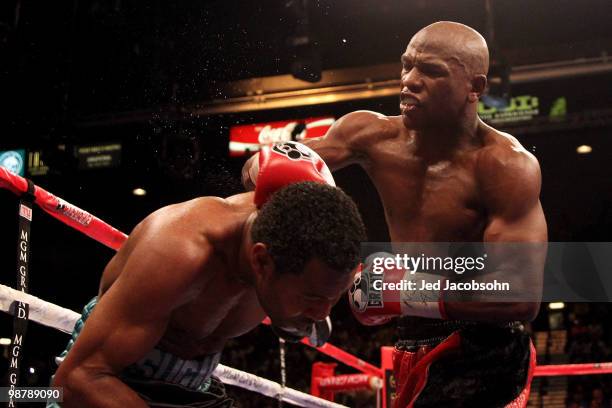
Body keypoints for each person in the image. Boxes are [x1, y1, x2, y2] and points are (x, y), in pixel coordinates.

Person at [243, 21, 548, 407]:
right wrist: (267, 169)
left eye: (432, 71)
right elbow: (265, 165)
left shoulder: (505, 165)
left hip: (488, 347)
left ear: (476, 88)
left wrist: (406, 291)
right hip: (410, 339)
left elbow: (520, 295)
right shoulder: (369, 134)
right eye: (407, 65)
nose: (410, 80)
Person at [51, 142, 366, 408]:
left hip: (193, 387)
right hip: (110, 382)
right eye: (313, 297)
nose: (324, 311)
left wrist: (311, 306)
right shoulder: (178, 253)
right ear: (262, 262)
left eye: (332, 299)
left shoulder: (307, 241)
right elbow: (76, 380)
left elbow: (262, 168)